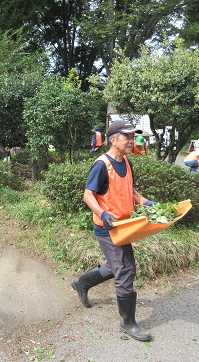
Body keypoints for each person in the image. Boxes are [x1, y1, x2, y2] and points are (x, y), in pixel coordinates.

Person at [71, 120, 157, 342]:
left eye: (132, 136)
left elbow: (130, 190)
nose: (131, 141)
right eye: (126, 137)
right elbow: (88, 195)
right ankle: (128, 322)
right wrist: (103, 214)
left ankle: (82, 283)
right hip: (107, 228)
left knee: (115, 266)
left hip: (123, 227)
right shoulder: (101, 164)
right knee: (126, 269)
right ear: (113, 139)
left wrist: (146, 203)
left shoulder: (126, 162)